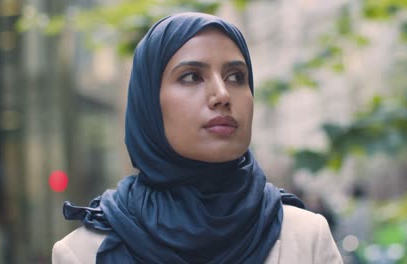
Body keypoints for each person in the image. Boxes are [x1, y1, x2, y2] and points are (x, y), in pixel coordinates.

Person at [52, 12, 343, 264]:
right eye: (191, 77)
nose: (222, 95)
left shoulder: (306, 238)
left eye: (236, 77)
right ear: (149, 104)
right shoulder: (82, 254)